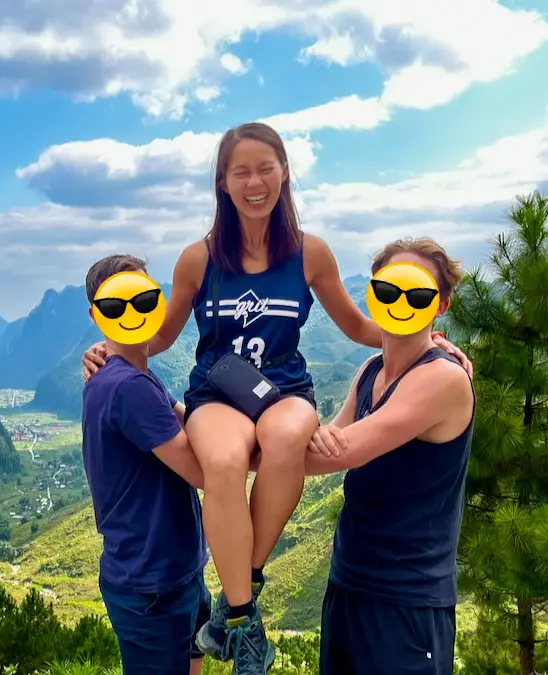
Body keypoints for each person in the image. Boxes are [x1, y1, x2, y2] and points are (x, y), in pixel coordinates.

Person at [80, 122, 472, 674]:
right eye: (240, 171)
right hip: (216, 390)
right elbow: (160, 336)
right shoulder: (199, 259)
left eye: (266, 167)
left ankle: (242, 593)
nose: (254, 181)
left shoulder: (310, 254)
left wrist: (428, 334)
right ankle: (242, 618)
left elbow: (362, 325)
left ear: (284, 172)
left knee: (287, 436)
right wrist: (110, 347)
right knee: (222, 460)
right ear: (223, 182)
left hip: (284, 388)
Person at [304, 237, 475, 675]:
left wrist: (232, 455)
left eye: (417, 294)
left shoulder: (443, 379)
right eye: (388, 290)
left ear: (441, 306)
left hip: (408, 604)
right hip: (348, 584)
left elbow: (338, 451)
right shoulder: (370, 371)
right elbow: (326, 440)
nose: (401, 301)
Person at [81, 253, 212, 675]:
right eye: (119, 306)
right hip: (153, 584)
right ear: (98, 315)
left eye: (142, 300)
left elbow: (180, 416)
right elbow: (201, 471)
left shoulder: (129, 374)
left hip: (174, 571)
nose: (133, 312)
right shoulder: (129, 385)